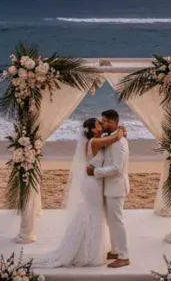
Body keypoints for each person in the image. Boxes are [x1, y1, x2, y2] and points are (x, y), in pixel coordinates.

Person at [32, 119, 127, 269]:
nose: (101, 124)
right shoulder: (95, 142)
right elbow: (115, 138)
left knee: (93, 215)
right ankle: (88, 253)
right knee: (93, 215)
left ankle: (90, 249)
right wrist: (121, 129)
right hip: (93, 184)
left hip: (95, 181)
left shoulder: (96, 140)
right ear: (93, 130)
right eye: (98, 124)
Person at [90, 109, 131, 269]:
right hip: (109, 187)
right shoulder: (111, 138)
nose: (103, 123)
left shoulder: (120, 143)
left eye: (106, 121)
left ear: (114, 122)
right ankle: (115, 250)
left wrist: (95, 172)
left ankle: (124, 256)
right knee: (111, 222)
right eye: (102, 121)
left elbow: (117, 168)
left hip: (117, 187)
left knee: (117, 221)